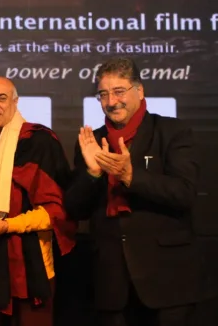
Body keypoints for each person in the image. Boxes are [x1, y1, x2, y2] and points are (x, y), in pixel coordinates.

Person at [63, 57, 202, 326]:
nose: (111, 101)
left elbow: (184, 193)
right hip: (111, 281)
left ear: (139, 91)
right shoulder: (93, 141)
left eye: (119, 91)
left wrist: (130, 176)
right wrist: (93, 173)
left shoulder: (172, 132)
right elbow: (75, 209)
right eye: (103, 94)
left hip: (168, 278)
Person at [0, 76, 75, 326]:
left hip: (30, 271)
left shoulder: (39, 142)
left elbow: (55, 211)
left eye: (1, 98)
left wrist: (8, 225)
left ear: (15, 101)